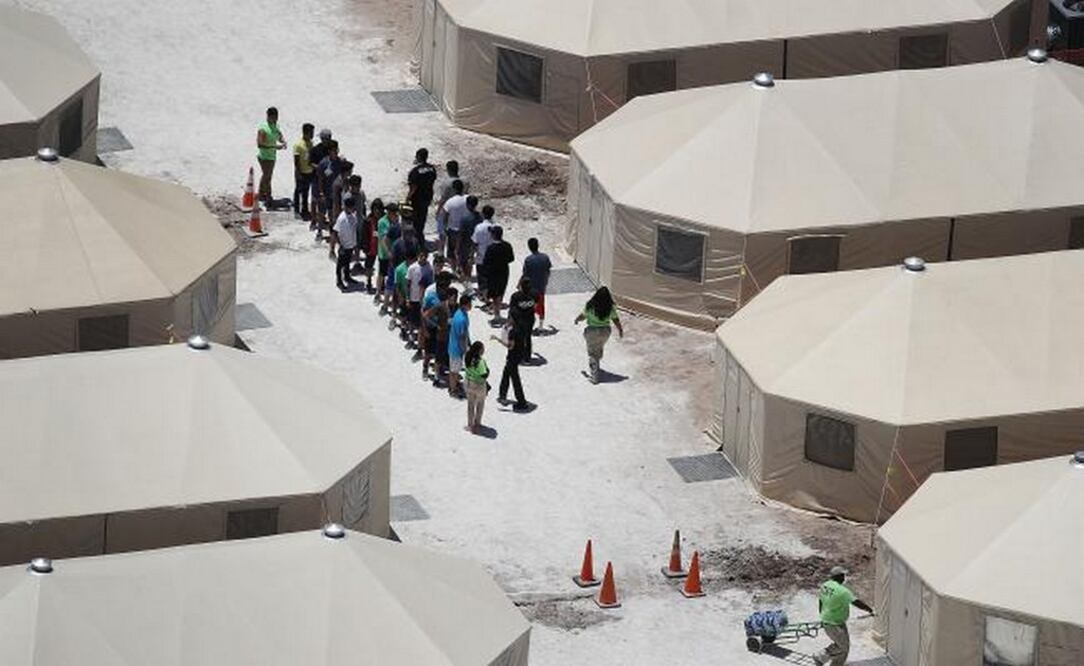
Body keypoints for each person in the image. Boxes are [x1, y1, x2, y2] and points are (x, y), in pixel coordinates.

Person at [813, 566, 874, 666]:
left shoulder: (825, 585)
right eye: (843, 575)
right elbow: (856, 602)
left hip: (829, 621)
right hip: (835, 624)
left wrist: (822, 615)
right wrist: (869, 609)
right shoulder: (842, 591)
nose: (844, 578)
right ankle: (820, 656)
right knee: (842, 647)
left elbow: (821, 600)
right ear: (840, 576)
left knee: (844, 648)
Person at [574, 286, 624, 384]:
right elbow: (615, 319)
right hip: (605, 331)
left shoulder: (590, 305)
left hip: (592, 331)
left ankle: (594, 377)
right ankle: (596, 364)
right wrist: (620, 330)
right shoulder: (610, 306)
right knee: (599, 347)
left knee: (592, 353)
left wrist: (577, 319)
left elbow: (583, 316)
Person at [490, 320, 530, 412]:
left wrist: (497, 339)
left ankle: (522, 402)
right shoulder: (521, 327)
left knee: (515, 379)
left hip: (513, 357)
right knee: (506, 375)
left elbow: (510, 346)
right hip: (519, 355)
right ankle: (502, 395)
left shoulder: (512, 332)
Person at [482, 225, 514, 321]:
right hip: (504, 271)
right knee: (501, 291)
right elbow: (511, 259)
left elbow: (485, 262)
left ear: (493, 235)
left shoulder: (490, 248)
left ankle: (496, 314)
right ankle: (497, 312)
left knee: (495, 294)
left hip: (493, 273)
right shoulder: (507, 245)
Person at [434, 160, 467, 254]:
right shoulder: (464, 181)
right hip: (461, 208)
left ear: (448, 170)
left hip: (447, 208)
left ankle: (440, 252)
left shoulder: (446, 183)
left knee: (442, 232)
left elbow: (443, 198)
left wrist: (438, 211)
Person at [256, 107, 286, 203]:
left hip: (272, 156)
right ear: (269, 116)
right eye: (274, 117)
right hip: (264, 157)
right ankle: (266, 195)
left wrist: (283, 140)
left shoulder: (275, 125)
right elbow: (260, 144)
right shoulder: (263, 128)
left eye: (277, 117)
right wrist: (275, 146)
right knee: (267, 176)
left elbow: (279, 134)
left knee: (267, 176)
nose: (276, 119)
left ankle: (263, 194)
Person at [522, 238, 552, 332]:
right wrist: (545, 280)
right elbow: (548, 271)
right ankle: (541, 325)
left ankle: (529, 325)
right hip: (541, 285)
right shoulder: (545, 257)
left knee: (529, 306)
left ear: (529, 247)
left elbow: (525, 274)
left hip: (531, 287)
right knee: (541, 305)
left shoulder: (528, 260)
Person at [407, 148, 438, 241]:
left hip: (417, 199)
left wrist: (407, 198)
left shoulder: (415, 171)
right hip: (427, 198)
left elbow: (413, 187)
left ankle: (417, 241)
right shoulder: (432, 169)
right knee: (422, 219)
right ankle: (420, 236)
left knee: (415, 221)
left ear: (418, 157)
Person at [330, 197, 360, 291]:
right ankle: (339, 281)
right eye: (351, 207)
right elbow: (335, 233)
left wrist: (355, 245)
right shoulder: (341, 218)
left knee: (347, 262)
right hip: (344, 245)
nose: (352, 209)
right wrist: (333, 247)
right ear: (346, 207)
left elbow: (354, 230)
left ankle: (347, 277)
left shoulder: (353, 216)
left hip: (351, 244)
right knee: (340, 264)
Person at [314, 140, 342, 241]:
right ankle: (319, 231)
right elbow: (320, 179)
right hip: (325, 193)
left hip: (335, 194)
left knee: (333, 214)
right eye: (334, 150)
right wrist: (321, 193)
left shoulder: (339, 162)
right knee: (322, 213)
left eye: (337, 149)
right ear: (329, 151)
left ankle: (332, 232)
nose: (336, 152)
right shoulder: (324, 163)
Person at [407, 248, 434, 349]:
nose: (423, 258)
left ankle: (419, 340)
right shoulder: (412, 268)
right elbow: (408, 284)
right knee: (412, 319)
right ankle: (410, 336)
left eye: (425, 256)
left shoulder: (429, 267)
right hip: (414, 297)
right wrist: (407, 298)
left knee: (421, 320)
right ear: (418, 255)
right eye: (421, 255)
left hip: (424, 299)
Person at [447, 294, 472, 399]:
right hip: (456, 349)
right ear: (465, 305)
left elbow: (465, 333)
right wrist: (465, 350)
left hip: (454, 346)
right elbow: (462, 337)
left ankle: (455, 385)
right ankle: (453, 390)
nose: (471, 305)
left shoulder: (460, 313)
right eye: (470, 304)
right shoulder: (461, 319)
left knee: (455, 369)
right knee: (454, 371)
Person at [308, 129, 333, 229]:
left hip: (328, 180)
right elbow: (310, 163)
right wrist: (320, 168)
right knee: (315, 200)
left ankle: (322, 219)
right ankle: (314, 220)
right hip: (316, 178)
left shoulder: (332, 148)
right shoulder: (315, 150)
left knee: (326, 200)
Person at [377, 203, 400, 311]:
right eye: (394, 213)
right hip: (384, 253)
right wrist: (388, 252)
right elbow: (383, 239)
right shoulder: (382, 222)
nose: (396, 215)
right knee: (382, 273)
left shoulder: (395, 221)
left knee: (390, 276)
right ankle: (378, 293)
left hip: (394, 254)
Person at [507, 277, 537, 361]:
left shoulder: (515, 296)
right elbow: (536, 305)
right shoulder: (534, 294)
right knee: (527, 337)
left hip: (518, 320)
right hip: (530, 319)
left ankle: (518, 355)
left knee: (518, 337)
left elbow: (512, 309)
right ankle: (527, 357)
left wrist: (509, 319)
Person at [463, 341, 489, 434]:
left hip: (469, 383)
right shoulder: (481, 361)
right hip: (479, 385)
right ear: (479, 350)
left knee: (470, 405)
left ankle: (470, 425)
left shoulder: (467, 357)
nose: (483, 350)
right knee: (480, 404)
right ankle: (477, 423)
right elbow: (484, 375)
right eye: (482, 349)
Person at [440, 180, 467, 267]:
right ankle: (463, 269)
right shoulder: (468, 199)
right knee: (464, 250)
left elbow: (444, 216)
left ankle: (454, 269)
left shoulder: (450, 202)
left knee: (451, 251)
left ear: (454, 189)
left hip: (453, 230)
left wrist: (444, 227)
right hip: (465, 230)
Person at [471, 204, 495, 294]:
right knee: (490, 277)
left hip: (481, 256)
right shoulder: (497, 227)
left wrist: (471, 255)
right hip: (493, 257)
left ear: (483, 214)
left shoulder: (479, 227)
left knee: (481, 277)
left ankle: (484, 296)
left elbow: (475, 242)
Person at [360, 198, 384, 293]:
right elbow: (364, 234)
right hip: (371, 247)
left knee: (382, 267)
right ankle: (369, 282)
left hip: (382, 247)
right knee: (369, 266)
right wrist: (364, 246)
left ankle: (382, 283)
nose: (377, 211)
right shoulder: (367, 220)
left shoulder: (385, 219)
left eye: (379, 209)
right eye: (375, 209)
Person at [292, 123, 315, 220]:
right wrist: (298, 172)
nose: (312, 135)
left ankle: (305, 209)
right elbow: (296, 160)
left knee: (306, 191)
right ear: (306, 133)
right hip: (301, 172)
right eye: (311, 133)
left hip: (309, 171)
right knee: (298, 191)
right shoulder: (298, 145)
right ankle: (296, 210)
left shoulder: (311, 143)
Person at [458, 196, 482, 281]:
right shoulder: (481, 217)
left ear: (467, 204)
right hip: (477, 244)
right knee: (470, 261)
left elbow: (461, 234)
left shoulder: (464, 218)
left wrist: (457, 247)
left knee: (464, 262)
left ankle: (466, 279)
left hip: (466, 244)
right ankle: (468, 277)